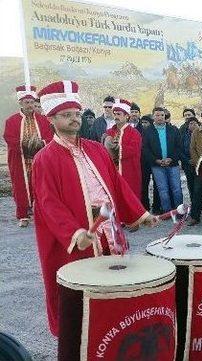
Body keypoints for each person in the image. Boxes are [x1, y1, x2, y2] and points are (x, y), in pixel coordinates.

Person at [31, 80, 157, 336]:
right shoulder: (45, 158)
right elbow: (48, 203)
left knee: (116, 285)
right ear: (52, 119)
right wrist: (75, 233)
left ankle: (116, 333)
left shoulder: (97, 149)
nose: (75, 119)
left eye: (77, 114)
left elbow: (118, 185)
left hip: (110, 233)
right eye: (67, 115)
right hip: (81, 238)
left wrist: (140, 213)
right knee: (84, 298)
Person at [3, 85, 54, 227]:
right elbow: (9, 138)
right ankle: (23, 215)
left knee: (41, 186)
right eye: (27, 102)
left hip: (39, 159)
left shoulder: (43, 120)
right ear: (20, 103)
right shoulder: (11, 121)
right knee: (20, 186)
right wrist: (25, 144)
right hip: (20, 160)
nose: (30, 105)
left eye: (32, 102)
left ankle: (41, 213)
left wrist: (40, 143)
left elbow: (50, 138)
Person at [142, 107, 184, 213]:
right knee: (163, 190)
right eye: (157, 115)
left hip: (172, 164)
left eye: (162, 115)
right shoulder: (147, 131)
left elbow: (179, 147)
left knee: (176, 189)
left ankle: (179, 211)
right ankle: (167, 212)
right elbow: (145, 149)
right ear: (153, 117)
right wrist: (156, 160)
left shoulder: (173, 129)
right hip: (157, 165)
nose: (160, 117)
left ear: (165, 116)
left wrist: (171, 158)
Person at [103, 98, 142, 200]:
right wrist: (105, 142)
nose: (116, 116)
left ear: (126, 116)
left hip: (128, 170)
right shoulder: (109, 132)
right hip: (112, 171)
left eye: (119, 114)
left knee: (129, 197)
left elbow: (134, 150)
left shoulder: (134, 133)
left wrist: (116, 149)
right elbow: (103, 150)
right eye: (115, 114)